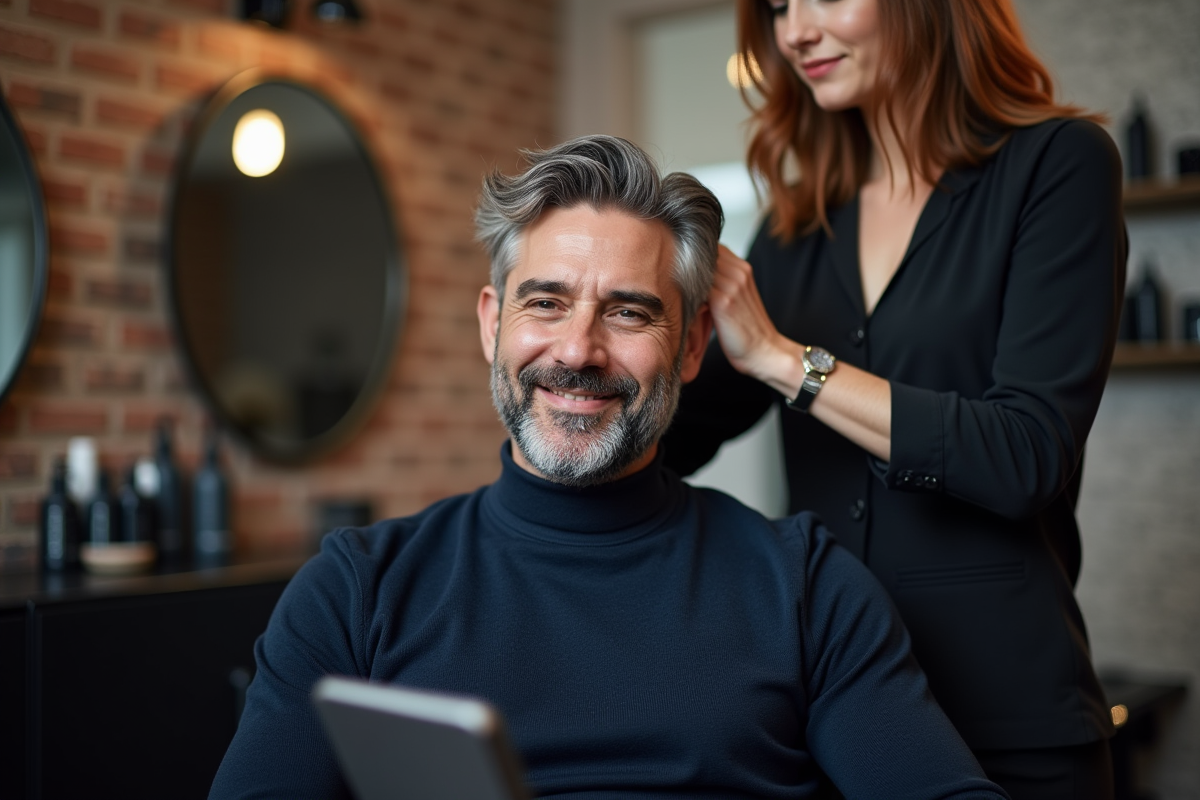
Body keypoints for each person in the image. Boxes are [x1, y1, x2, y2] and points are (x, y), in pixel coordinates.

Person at [209, 135, 1008, 800]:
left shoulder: (804, 586)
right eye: (545, 303)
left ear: (691, 347)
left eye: (628, 312)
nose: (578, 350)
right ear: (492, 326)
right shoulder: (356, 591)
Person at [660, 2, 1127, 798]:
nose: (794, 31)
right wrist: (592, 354)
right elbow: (682, 435)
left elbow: (1026, 455)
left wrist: (784, 360)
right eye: (778, 6)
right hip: (827, 723)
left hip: (1008, 725)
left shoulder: (1057, 164)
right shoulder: (797, 227)